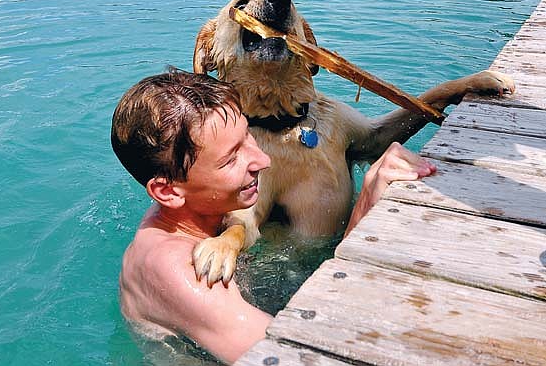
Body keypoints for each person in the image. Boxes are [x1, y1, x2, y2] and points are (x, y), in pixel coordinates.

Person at [111, 69, 436, 364]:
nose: (262, 160)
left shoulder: (202, 210)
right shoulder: (175, 270)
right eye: (230, 159)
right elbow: (309, 356)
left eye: (247, 136)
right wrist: (365, 208)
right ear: (167, 192)